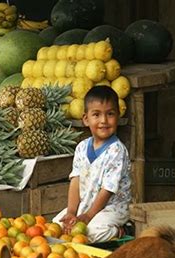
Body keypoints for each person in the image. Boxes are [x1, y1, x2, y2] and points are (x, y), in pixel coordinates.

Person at [53, 86, 131, 243]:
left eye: (110, 114)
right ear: (86, 119)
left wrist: (88, 216)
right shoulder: (82, 147)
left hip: (112, 208)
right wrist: (71, 212)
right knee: (56, 226)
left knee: (92, 233)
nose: (104, 120)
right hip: (86, 205)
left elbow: (107, 190)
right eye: (96, 114)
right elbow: (75, 182)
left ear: (118, 116)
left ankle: (121, 230)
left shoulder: (117, 150)